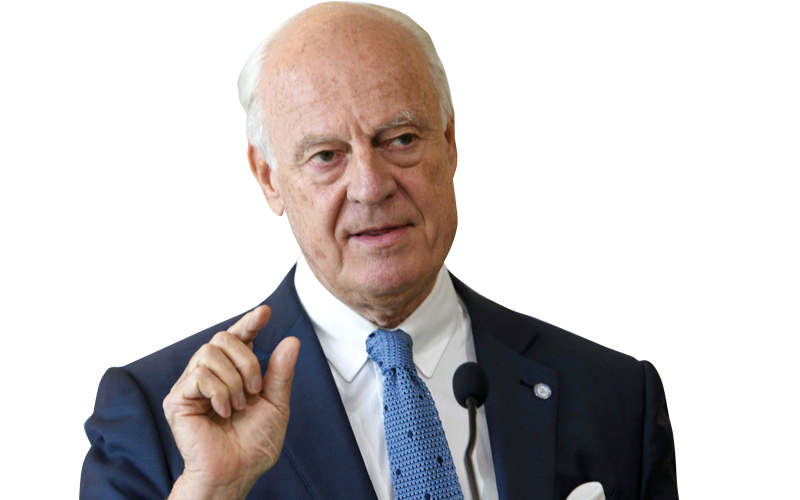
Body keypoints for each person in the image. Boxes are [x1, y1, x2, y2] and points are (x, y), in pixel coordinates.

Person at [80, 3, 678, 499]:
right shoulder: (156, 420)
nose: (371, 186)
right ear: (268, 178)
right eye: (326, 156)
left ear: (449, 142)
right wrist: (209, 491)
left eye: (401, 139)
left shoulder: (615, 397)